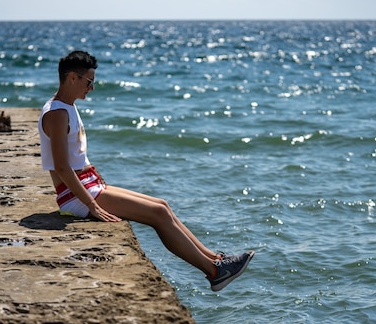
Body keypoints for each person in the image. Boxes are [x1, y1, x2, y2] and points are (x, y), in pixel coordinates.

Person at [38, 50, 254, 292]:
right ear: (72, 78)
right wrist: (92, 205)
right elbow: (61, 167)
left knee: (162, 205)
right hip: (76, 197)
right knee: (157, 215)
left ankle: (216, 260)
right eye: (89, 82)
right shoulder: (57, 113)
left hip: (89, 185)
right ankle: (214, 272)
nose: (92, 88)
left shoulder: (65, 107)